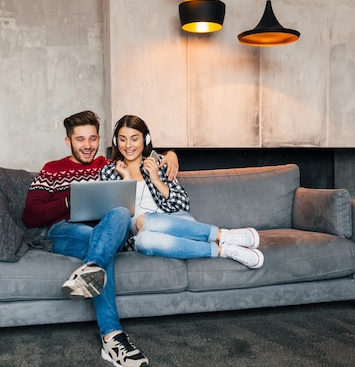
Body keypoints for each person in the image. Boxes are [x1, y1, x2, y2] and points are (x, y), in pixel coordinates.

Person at [22, 110, 179, 367]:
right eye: (80, 139)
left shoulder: (108, 166)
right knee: (97, 240)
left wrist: (171, 155)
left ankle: (92, 266)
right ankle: (112, 337)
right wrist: (68, 202)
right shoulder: (52, 170)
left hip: (109, 232)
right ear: (68, 141)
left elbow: (143, 154)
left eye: (93, 138)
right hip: (65, 231)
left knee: (119, 212)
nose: (87, 146)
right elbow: (30, 215)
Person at [99, 114, 264, 268]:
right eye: (122, 139)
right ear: (116, 141)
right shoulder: (109, 172)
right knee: (143, 241)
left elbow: (182, 204)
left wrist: (156, 179)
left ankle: (223, 235)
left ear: (145, 139)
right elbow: (112, 218)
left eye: (134, 139)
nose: (128, 145)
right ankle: (224, 249)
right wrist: (126, 179)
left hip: (179, 222)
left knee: (145, 220)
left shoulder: (158, 163)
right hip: (142, 233)